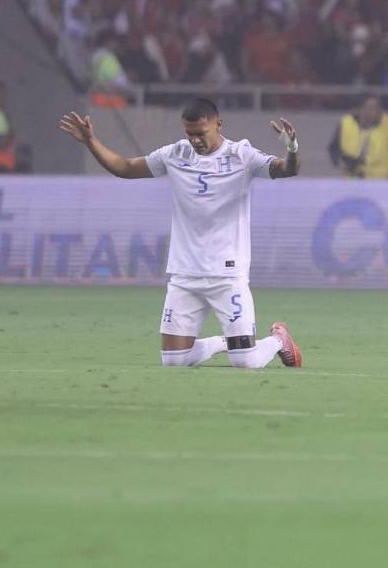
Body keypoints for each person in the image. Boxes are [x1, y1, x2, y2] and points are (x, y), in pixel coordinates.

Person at [58, 98, 303, 369]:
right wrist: (91, 141)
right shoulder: (175, 154)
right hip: (185, 275)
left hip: (227, 275)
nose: (195, 140)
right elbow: (125, 168)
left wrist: (291, 148)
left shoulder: (241, 155)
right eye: (189, 134)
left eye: (201, 133)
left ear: (218, 124)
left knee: (245, 361)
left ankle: (279, 340)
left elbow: (286, 169)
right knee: (174, 361)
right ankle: (226, 342)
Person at [328, 94, 388, 179]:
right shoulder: (346, 124)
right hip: (352, 181)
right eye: (370, 107)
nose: (374, 111)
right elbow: (334, 149)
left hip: (381, 182)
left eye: (377, 107)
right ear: (360, 109)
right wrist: (342, 161)